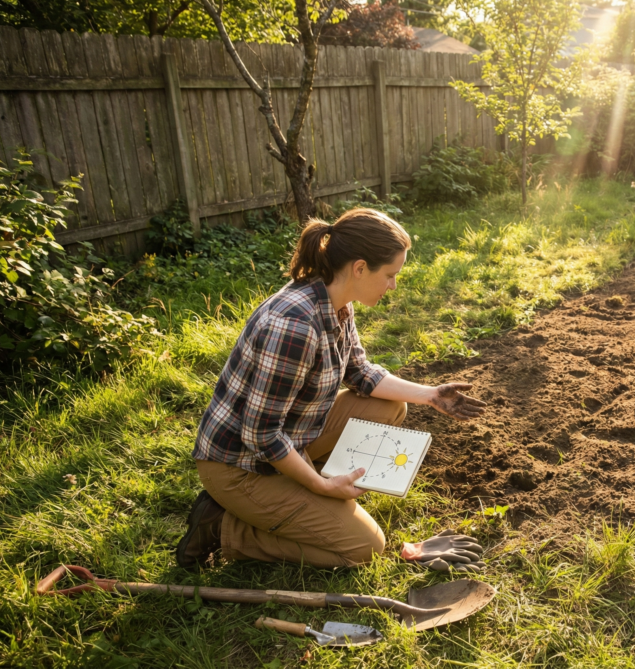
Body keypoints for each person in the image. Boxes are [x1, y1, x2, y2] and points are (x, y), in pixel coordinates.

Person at [176, 208, 487, 571]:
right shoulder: (294, 326)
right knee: (365, 547)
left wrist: (430, 394)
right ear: (359, 268)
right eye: (390, 275)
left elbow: (360, 373)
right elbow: (260, 435)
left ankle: (303, 492)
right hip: (241, 465)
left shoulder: (335, 302)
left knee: (391, 409)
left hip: (288, 437)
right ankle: (225, 528)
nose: (393, 286)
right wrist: (322, 488)